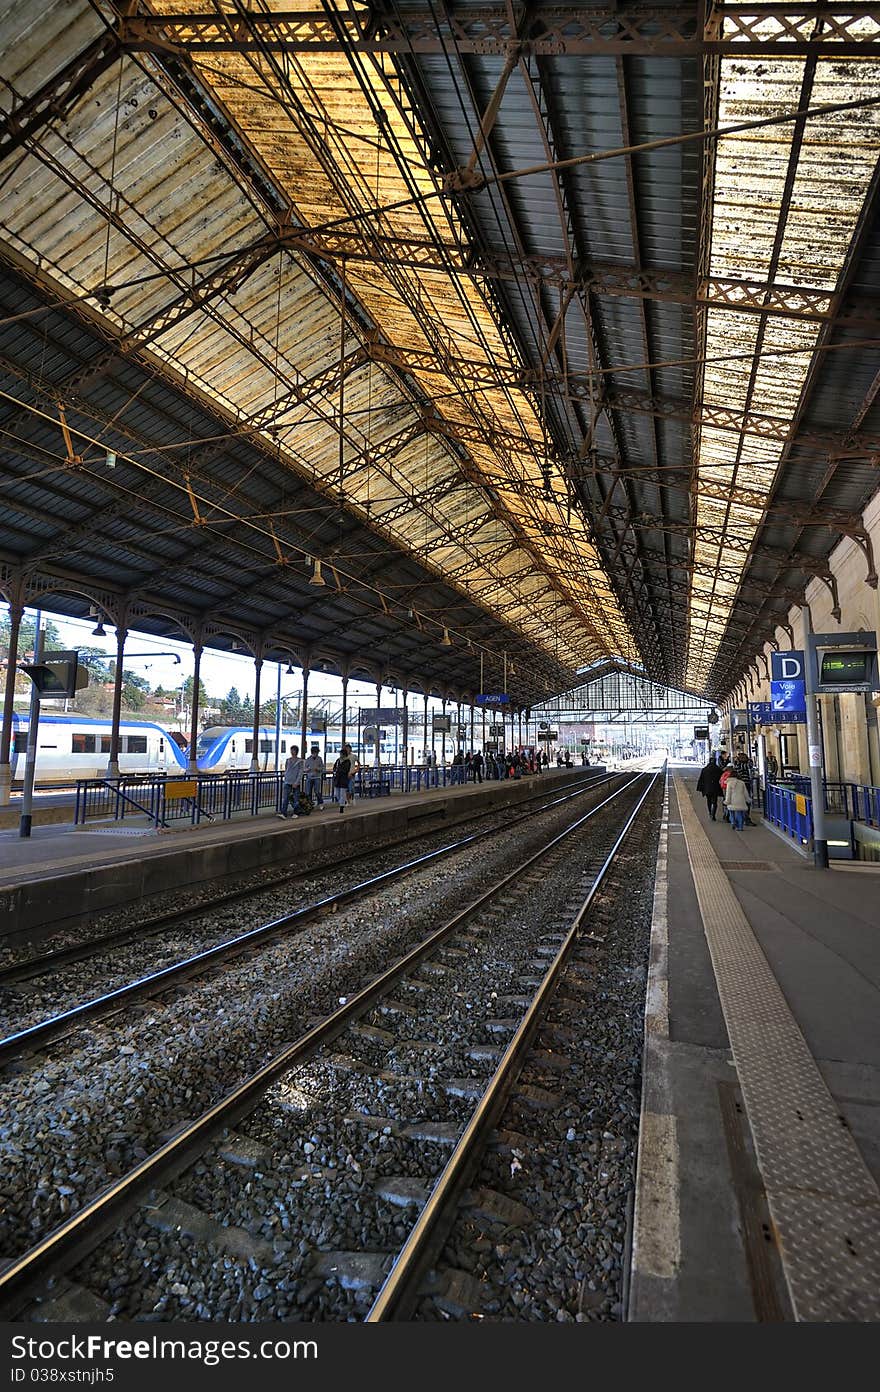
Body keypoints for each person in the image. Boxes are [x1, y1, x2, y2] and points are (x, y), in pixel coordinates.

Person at [277, 746, 304, 818]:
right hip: (287, 781)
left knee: (296, 798)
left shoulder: (300, 761)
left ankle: (296, 813)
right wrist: (285, 778)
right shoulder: (288, 760)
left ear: (296, 751)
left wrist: (297, 782)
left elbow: (300, 772)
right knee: (285, 798)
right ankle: (283, 813)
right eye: (291, 750)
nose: (292, 752)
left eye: (293, 750)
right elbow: (286, 770)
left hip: (295, 783)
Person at [696, 752, 722, 821]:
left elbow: (701, 779)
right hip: (715, 788)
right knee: (715, 802)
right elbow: (721, 779)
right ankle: (713, 815)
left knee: (709, 801)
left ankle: (710, 812)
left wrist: (701, 788)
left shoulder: (705, 769)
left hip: (707, 788)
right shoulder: (718, 769)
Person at [724, 767, 750, 831]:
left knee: (731, 812)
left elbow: (728, 794)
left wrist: (726, 801)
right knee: (739, 813)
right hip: (740, 800)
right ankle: (740, 827)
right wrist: (748, 800)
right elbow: (745, 793)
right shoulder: (742, 783)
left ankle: (733, 822)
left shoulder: (729, 783)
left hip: (732, 801)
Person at [333, 744, 353, 813]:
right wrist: (335, 770)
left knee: (342, 793)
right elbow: (334, 767)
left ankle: (341, 807)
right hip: (337, 779)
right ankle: (342, 802)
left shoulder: (348, 761)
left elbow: (346, 770)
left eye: (341, 754)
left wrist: (338, 770)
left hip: (344, 779)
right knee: (336, 794)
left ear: (344, 755)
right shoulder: (338, 760)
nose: (340, 755)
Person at [304, 744, 325, 809]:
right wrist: (308, 769)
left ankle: (320, 803)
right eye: (315, 753)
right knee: (308, 792)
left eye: (317, 753)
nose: (316, 754)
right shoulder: (308, 759)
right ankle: (310, 804)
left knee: (317, 791)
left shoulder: (319, 759)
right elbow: (304, 769)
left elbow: (322, 768)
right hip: (309, 777)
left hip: (317, 777)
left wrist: (318, 769)